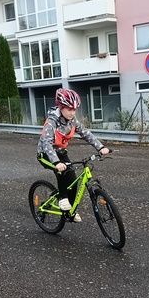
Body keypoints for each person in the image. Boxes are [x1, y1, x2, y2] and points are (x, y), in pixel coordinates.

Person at [37, 88, 110, 223]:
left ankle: (70, 212)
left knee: (72, 180)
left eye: (74, 110)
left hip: (61, 152)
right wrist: (56, 163)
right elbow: (47, 144)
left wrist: (100, 147)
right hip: (45, 154)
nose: (72, 113)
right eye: (69, 109)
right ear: (61, 107)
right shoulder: (51, 122)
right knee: (62, 172)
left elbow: (86, 133)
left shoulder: (72, 121)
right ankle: (62, 198)